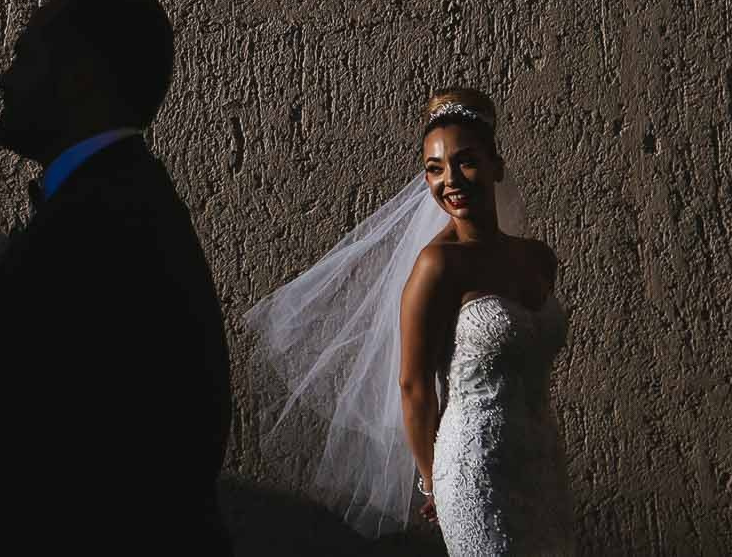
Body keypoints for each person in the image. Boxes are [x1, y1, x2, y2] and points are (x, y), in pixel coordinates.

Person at [0, 0, 233, 556]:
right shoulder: (117, 203)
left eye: (24, 55)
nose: (5, 78)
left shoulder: (103, 225)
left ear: (81, 76)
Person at [242, 88, 573, 554]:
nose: (450, 180)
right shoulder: (437, 266)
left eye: (466, 161)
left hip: (541, 462)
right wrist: (433, 479)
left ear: (497, 166)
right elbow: (414, 385)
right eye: (435, 169)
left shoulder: (538, 259)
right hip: (475, 470)